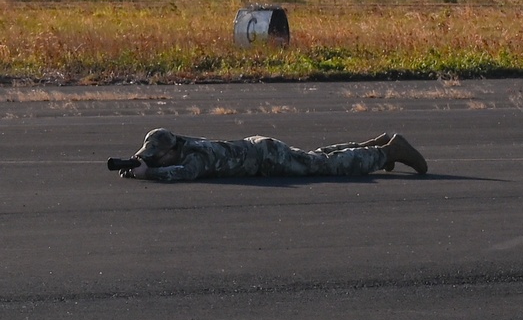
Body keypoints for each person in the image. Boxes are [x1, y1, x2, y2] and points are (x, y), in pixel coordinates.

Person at [116, 128, 428, 182]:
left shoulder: (195, 156)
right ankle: (374, 144)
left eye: (159, 157)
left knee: (321, 167)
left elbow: (184, 174)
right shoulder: (180, 146)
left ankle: (388, 152)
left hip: (264, 156)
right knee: (314, 158)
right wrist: (137, 165)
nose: (158, 160)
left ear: (172, 150)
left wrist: (150, 173)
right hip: (260, 151)